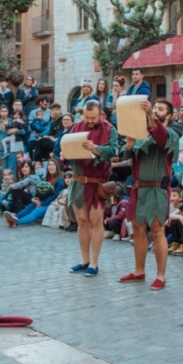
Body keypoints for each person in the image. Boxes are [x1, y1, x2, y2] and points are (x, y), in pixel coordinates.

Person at [117, 100, 180, 290]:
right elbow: (124, 157)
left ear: (168, 116)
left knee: (157, 231)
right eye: (154, 108)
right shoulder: (140, 133)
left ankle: (161, 275)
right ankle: (139, 271)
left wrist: (151, 117)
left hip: (157, 188)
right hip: (138, 188)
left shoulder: (172, 134)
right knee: (137, 229)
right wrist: (128, 146)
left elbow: (161, 137)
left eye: (160, 109)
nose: (155, 111)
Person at [65, 100, 118, 277]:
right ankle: (84, 260)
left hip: (98, 181)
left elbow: (113, 150)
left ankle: (94, 263)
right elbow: (68, 146)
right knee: (81, 221)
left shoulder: (109, 128)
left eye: (93, 117)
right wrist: (65, 152)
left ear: (100, 113)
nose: (89, 120)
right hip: (79, 179)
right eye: (87, 117)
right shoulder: (77, 126)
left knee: (96, 222)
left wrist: (95, 149)